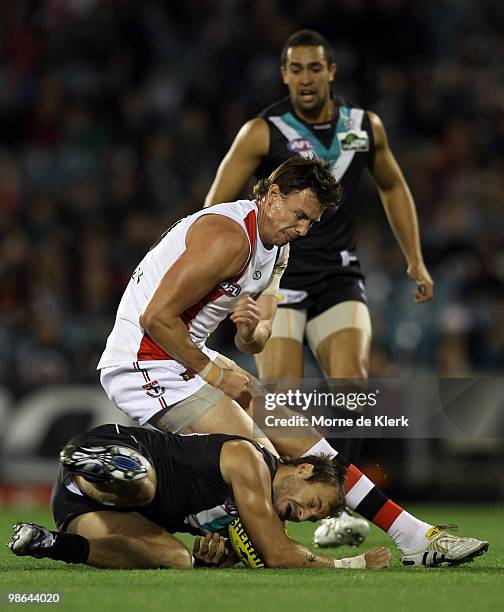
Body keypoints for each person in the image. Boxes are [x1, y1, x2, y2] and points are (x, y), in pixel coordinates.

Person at [93, 153, 487, 567]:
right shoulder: (228, 237)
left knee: (304, 441)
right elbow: (154, 318)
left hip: (182, 353)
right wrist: (212, 372)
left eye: (310, 223)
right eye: (299, 215)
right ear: (273, 195)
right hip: (143, 363)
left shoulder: (277, 250)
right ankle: (260, 548)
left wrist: (248, 332)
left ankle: (412, 535)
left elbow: (259, 338)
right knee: (259, 459)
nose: (301, 229)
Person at [204, 28, 434, 545]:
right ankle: (279, 502)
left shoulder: (363, 127)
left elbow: (393, 186)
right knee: (280, 401)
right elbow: (213, 206)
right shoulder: (262, 132)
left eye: (314, 68)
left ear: (331, 72)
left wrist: (415, 260)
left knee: (350, 387)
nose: (305, 79)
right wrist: (221, 271)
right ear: (284, 75)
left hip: (338, 278)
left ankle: (338, 512)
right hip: (277, 283)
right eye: (295, 69)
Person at [8, 424, 391, 570]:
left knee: (175, 559)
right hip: (118, 449)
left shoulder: (253, 513)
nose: (304, 515)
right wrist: (350, 564)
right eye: (314, 502)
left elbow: (221, 547)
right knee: (144, 484)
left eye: (311, 519)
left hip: (73, 505)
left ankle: (50, 543)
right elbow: (277, 554)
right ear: (304, 469)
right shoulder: (251, 460)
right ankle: (99, 466)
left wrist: (214, 559)